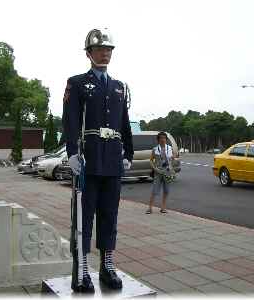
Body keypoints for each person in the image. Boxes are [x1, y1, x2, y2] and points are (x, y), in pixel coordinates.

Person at [62, 28, 134, 293]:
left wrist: (128, 153)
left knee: (110, 214)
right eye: (100, 50)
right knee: (84, 216)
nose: (105, 53)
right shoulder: (77, 83)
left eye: (109, 50)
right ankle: (81, 267)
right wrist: (71, 153)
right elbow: (70, 121)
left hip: (112, 160)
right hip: (88, 159)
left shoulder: (118, 87)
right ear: (89, 53)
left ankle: (107, 264)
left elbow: (124, 123)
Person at [146, 132, 176, 214]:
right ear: (158, 140)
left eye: (164, 138)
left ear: (166, 139)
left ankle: (163, 207)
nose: (162, 140)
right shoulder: (155, 149)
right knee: (154, 190)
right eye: (161, 138)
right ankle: (150, 208)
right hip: (158, 172)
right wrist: (154, 168)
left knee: (166, 190)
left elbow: (173, 158)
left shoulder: (169, 148)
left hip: (167, 172)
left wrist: (171, 164)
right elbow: (151, 160)